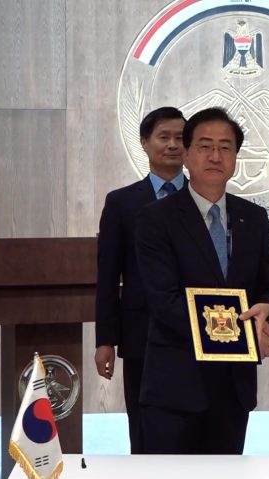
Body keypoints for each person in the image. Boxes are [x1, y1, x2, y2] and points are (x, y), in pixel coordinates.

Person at [134, 107, 269, 454]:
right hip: (176, 387)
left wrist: (267, 310)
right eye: (204, 146)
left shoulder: (253, 218)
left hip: (233, 388)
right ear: (186, 154)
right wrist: (234, 330)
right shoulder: (155, 219)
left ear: (235, 158)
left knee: (226, 476)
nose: (215, 156)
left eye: (225, 147)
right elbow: (164, 301)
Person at [93, 107, 186, 454]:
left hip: (196, 331)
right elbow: (108, 274)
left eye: (180, 138)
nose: (173, 145)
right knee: (146, 431)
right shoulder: (122, 203)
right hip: (141, 335)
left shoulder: (205, 199)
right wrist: (106, 339)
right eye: (164, 137)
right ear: (145, 143)